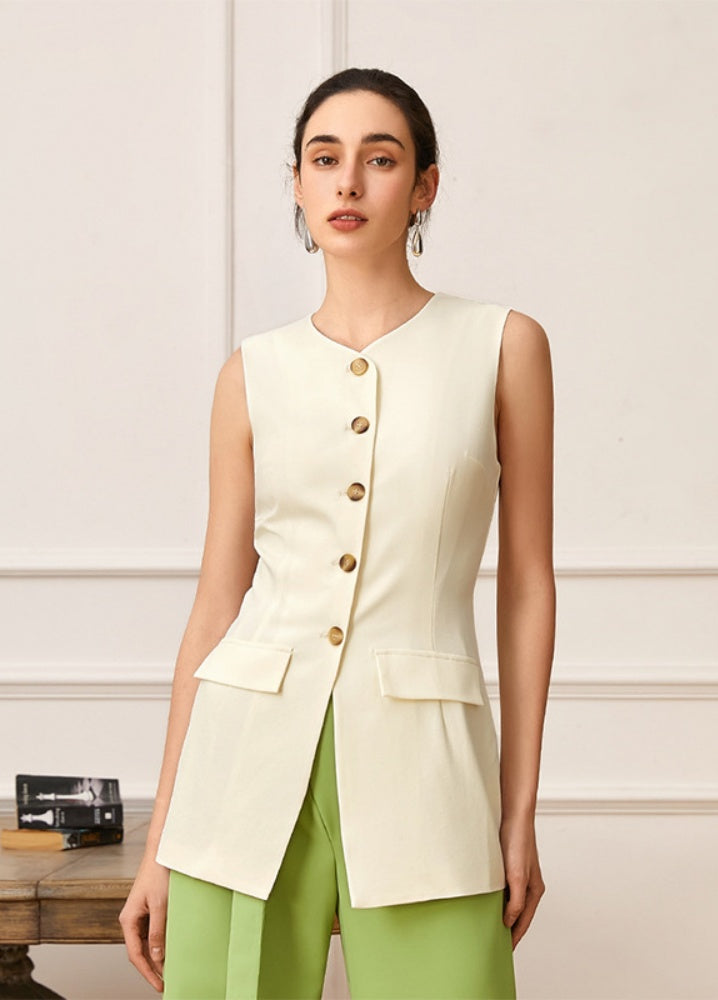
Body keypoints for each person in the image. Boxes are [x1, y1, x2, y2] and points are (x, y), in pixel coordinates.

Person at [119, 67, 555, 999]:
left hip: (425, 774)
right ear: (297, 183)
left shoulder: (503, 345)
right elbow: (216, 604)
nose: (348, 182)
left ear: (424, 186)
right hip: (241, 769)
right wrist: (161, 843)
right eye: (325, 159)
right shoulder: (251, 372)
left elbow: (527, 584)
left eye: (380, 159)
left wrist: (518, 812)